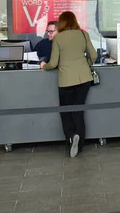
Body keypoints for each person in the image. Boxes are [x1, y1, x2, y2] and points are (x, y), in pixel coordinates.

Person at [40, 11, 96, 157]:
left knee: (65, 111)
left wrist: (43, 65)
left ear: (62, 23)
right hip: (84, 79)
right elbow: (94, 55)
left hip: (66, 80)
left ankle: (71, 138)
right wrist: (86, 64)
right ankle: (80, 144)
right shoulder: (83, 34)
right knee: (78, 110)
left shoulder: (58, 38)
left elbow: (53, 63)